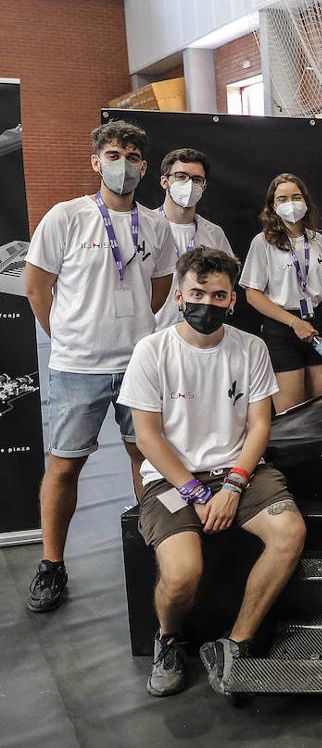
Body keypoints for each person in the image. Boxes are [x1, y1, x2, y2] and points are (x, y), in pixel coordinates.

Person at [117, 245, 305, 698]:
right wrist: (198, 494)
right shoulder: (152, 350)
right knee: (182, 575)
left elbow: (261, 425)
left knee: (290, 533)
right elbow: (147, 437)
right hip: (172, 478)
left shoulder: (251, 348)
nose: (208, 303)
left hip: (239, 471)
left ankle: (234, 645)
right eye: (198, 293)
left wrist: (234, 484)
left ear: (232, 300)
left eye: (219, 296)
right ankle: (167, 640)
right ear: (179, 296)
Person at [23, 120, 176, 613]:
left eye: (132, 157)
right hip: (78, 366)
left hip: (138, 364)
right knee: (65, 465)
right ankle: (51, 564)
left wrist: (134, 329)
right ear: (95, 162)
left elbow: (160, 284)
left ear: (145, 167)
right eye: (113, 155)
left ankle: (156, 549)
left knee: (146, 461)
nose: (123, 165)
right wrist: (66, 336)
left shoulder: (154, 224)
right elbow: (35, 286)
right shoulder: (66, 217)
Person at [240, 172, 322, 413]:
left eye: (296, 197)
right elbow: (252, 294)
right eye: (283, 198)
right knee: (291, 413)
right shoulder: (263, 242)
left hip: (317, 327)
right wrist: (293, 322)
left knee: (321, 407)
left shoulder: (317, 240)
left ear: (305, 201)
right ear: (273, 206)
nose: (291, 203)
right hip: (283, 328)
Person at [154, 148, 234, 330]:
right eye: (181, 176)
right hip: (155, 330)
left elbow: (227, 282)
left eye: (196, 179)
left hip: (201, 330)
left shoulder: (214, 233)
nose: (189, 184)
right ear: (165, 181)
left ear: (203, 186)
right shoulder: (145, 227)